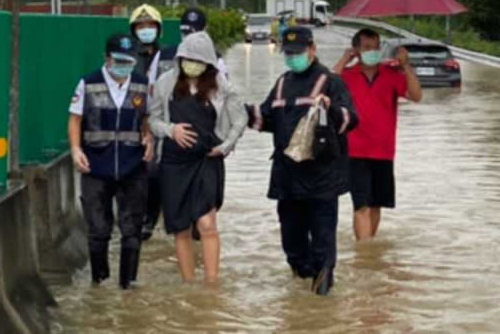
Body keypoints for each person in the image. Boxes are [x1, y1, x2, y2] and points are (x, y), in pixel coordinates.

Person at [246, 26, 359, 296]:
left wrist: (329, 108)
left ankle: (321, 302)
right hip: (287, 177)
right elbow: (266, 119)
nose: (293, 57)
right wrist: (239, 113)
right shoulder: (283, 83)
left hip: (321, 177)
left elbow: (351, 120)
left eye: (299, 52)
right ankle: (299, 294)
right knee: (292, 243)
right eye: (289, 53)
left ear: (312, 50)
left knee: (322, 243)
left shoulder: (331, 82)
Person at [149, 32, 247, 283]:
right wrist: (171, 130)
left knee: (206, 225)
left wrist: (225, 146)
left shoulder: (221, 84)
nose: (191, 64)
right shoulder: (165, 83)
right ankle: (188, 283)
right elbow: (153, 119)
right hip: (174, 162)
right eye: (186, 59)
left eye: (197, 60)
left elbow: (240, 119)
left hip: (207, 160)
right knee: (180, 228)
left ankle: (212, 284)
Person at [68, 33, 154, 289]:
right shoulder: (88, 83)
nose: (124, 66)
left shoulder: (141, 84)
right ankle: (99, 284)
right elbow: (75, 119)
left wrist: (148, 137)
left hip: (132, 165)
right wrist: (75, 149)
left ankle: (128, 285)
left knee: (132, 230)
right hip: (96, 165)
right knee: (98, 230)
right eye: (118, 60)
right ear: (107, 58)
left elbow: (147, 118)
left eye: (128, 61)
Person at [333, 28, 423, 241]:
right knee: (361, 205)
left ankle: (369, 250)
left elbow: (416, 96)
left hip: (384, 151)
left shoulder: (391, 76)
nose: (372, 52)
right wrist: (344, 59)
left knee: (375, 205)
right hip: (354, 150)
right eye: (366, 48)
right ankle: (364, 254)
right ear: (356, 49)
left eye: (375, 47)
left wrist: (406, 65)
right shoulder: (347, 76)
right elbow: (326, 87)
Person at [128, 4, 166, 242]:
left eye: (150, 25)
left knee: (155, 173)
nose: (145, 30)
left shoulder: (170, 57)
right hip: (133, 124)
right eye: (141, 26)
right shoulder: (128, 58)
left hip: (162, 123)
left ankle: (151, 219)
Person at [149, 7, 229, 83]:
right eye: (186, 32)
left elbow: (224, 91)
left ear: (205, 30)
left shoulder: (215, 60)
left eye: (194, 32)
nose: (189, 36)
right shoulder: (162, 55)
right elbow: (152, 88)